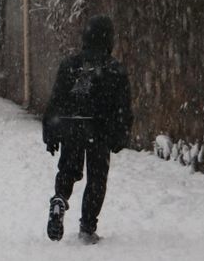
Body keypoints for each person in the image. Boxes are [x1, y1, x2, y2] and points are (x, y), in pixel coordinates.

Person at [42, 15, 133, 244]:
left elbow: (56, 101)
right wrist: (120, 134)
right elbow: (122, 107)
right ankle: (87, 227)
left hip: (72, 126)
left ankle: (60, 200)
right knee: (96, 178)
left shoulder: (70, 65)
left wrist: (51, 132)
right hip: (98, 129)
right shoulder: (114, 70)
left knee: (69, 169)